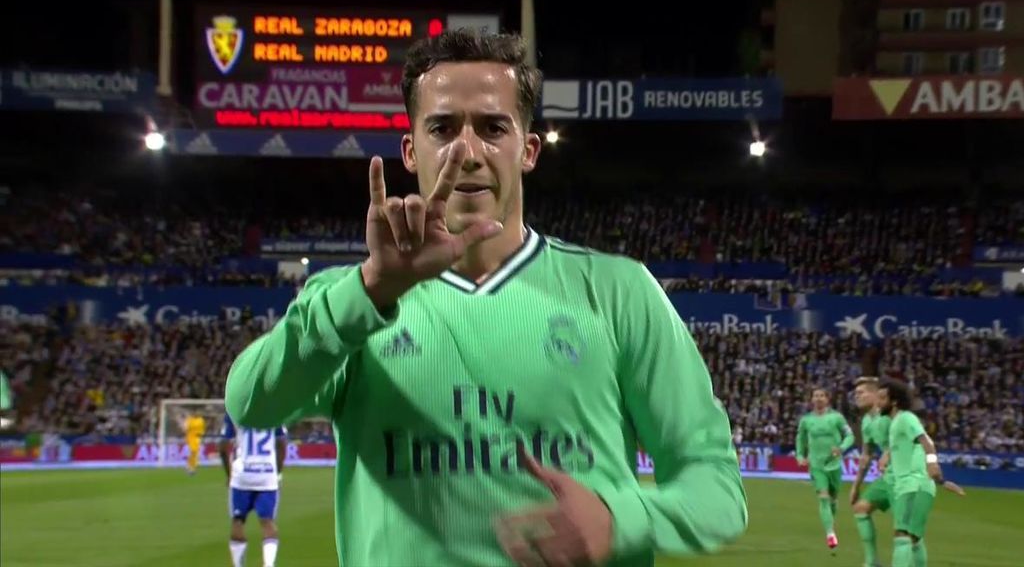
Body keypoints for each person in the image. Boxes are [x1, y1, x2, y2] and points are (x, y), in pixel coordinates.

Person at [224, 28, 747, 567]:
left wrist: (621, 520)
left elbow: (715, 486)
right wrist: (370, 290)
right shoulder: (349, 302)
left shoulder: (620, 293)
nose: (467, 152)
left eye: (493, 128)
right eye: (443, 127)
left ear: (528, 148)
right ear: (410, 149)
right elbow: (251, 402)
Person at [877, 378, 965, 567]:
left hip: (911, 486)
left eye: (882, 398)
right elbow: (919, 447)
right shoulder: (898, 424)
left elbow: (926, 442)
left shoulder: (905, 418)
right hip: (921, 486)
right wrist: (941, 481)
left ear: (893, 401)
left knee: (902, 535)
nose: (878, 402)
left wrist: (932, 462)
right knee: (914, 538)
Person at [219, 414, 287, 567]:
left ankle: (238, 565)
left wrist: (229, 474)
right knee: (268, 521)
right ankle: (269, 565)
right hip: (267, 475)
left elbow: (223, 447)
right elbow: (282, 444)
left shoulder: (235, 410)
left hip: (242, 475)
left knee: (238, 521)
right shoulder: (275, 410)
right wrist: (277, 473)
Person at [795, 386, 854, 552]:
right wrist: (800, 456)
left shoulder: (837, 418)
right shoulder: (806, 420)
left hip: (834, 464)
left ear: (828, 399)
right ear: (812, 399)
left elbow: (850, 436)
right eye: (816, 396)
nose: (819, 398)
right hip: (816, 464)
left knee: (833, 499)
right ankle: (830, 533)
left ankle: (830, 523)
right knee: (823, 497)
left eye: (822, 395)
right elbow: (800, 439)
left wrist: (841, 448)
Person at [849, 377, 890, 567]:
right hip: (890, 476)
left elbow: (909, 438)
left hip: (909, 473)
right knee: (861, 508)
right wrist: (856, 486)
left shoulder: (890, 414)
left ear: (875, 394)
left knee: (907, 531)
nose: (857, 396)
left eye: (861, 393)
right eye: (855, 394)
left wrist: (889, 453)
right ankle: (872, 562)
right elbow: (866, 455)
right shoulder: (866, 421)